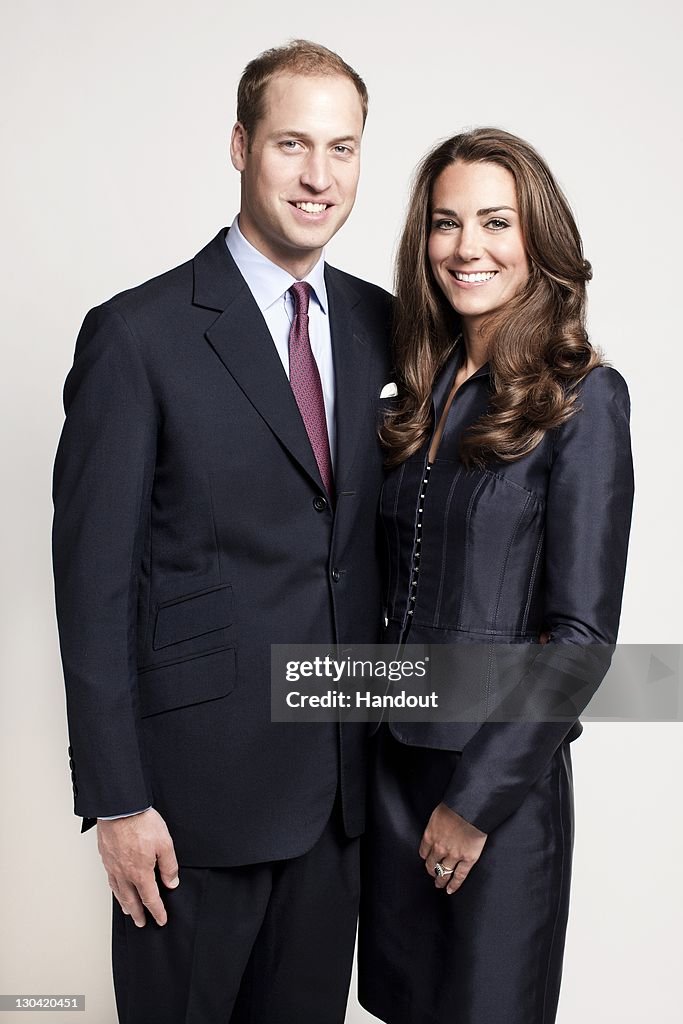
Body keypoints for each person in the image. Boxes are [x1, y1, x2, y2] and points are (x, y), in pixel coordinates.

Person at [52, 39, 392, 1024]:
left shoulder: (384, 324)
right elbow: (94, 586)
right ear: (241, 145)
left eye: (342, 147)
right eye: (292, 143)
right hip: (188, 811)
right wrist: (117, 801)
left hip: (337, 807)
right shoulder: (137, 335)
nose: (318, 175)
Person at [358, 128, 634, 1024]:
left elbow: (581, 641)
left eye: (493, 221)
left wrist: (474, 805)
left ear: (536, 239)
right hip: (387, 780)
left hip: (494, 794)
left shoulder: (583, 397)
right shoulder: (411, 395)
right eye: (444, 224)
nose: (465, 247)